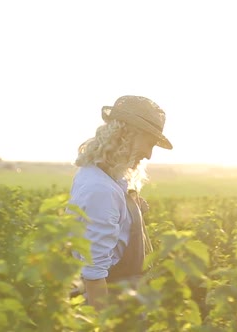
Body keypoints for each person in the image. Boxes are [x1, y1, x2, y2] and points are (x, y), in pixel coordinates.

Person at [68, 95, 173, 311]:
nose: (149, 155)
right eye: (149, 143)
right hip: (112, 305)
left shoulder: (105, 177)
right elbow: (94, 276)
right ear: (127, 134)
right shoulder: (101, 190)